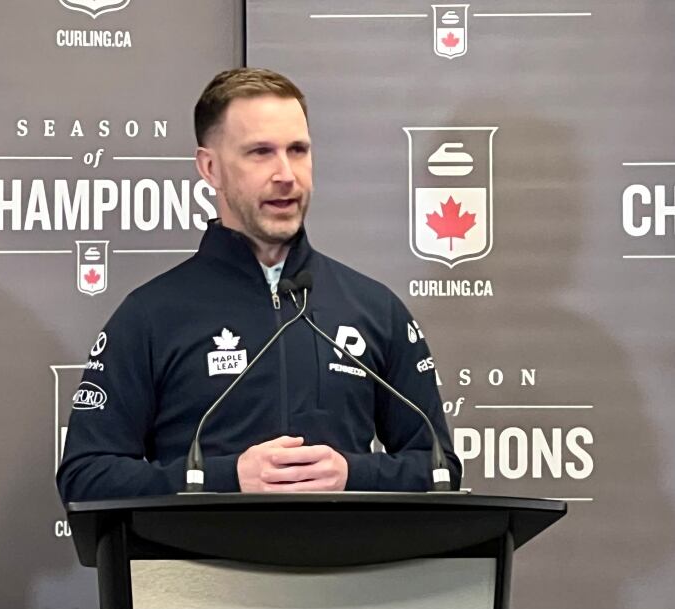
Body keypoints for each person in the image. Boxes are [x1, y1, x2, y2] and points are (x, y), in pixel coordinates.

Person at [57, 68, 461, 500]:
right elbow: (86, 477)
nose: (286, 173)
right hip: (199, 566)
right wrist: (222, 478)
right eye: (260, 152)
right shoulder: (149, 316)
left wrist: (353, 475)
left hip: (344, 563)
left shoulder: (374, 309)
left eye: (298, 150)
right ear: (210, 167)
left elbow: (439, 468)